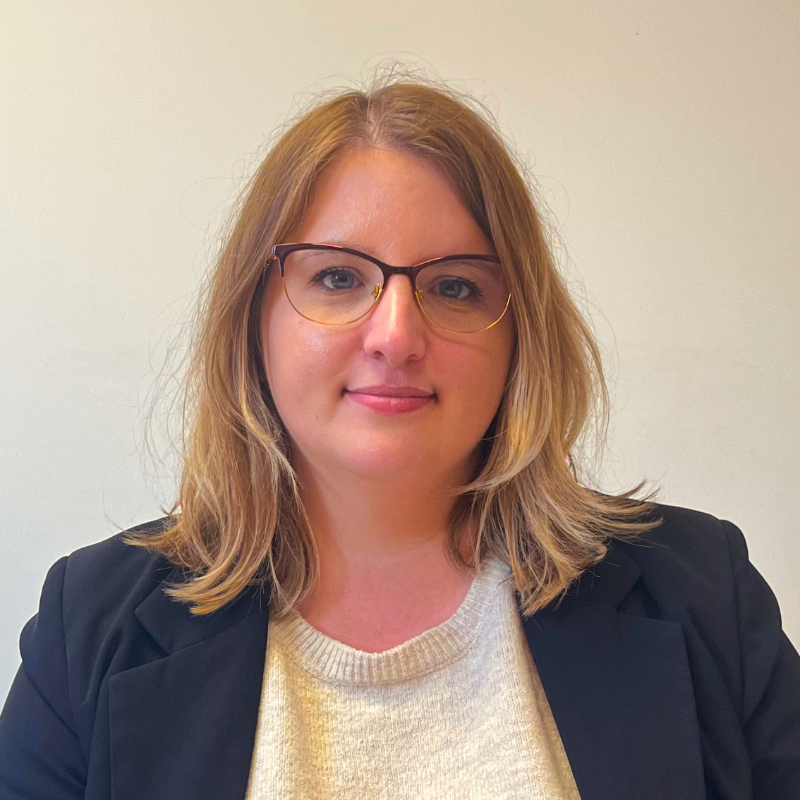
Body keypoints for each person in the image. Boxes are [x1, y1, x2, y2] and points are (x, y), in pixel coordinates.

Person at [0, 70, 798, 800]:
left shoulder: (704, 593)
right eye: (337, 277)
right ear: (253, 318)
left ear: (520, 333)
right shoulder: (90, 628)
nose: (395, 335)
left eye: (454, 286)